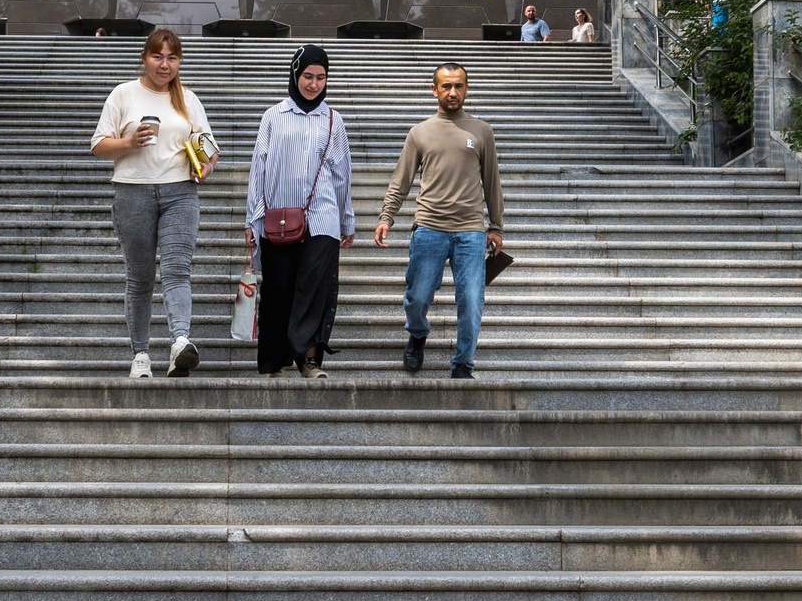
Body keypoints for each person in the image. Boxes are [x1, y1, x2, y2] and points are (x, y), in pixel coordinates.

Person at [89, 28, 217, 380]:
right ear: (144, 58)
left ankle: (179, 342)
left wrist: (206, 165)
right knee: (141, 277)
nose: (165, 65)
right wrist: (129, 142)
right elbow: (98, 145)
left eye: (172, 58)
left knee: (177, 270)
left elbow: (208, 146)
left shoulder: (187, 99)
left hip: (180, 194)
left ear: (179, 62)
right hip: (133, 191)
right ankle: (141, 354)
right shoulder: (123, 94)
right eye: (158, 57)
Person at [374, 62, 505, 379]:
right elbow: (401, 180)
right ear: (434, 89)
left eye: (459, 85)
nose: (453, 92)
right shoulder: (419, 132)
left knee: (472, 300)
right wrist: (386, 216)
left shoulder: (481, 131)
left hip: (470, 233)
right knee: (417, 296)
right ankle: (417, 335)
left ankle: (463, 362)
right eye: (446, 86)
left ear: (467, 88)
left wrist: (496, 227)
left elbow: (492, 182)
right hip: (429, 228)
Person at [243, 44, 354, 378]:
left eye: (321, 77)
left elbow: (342, 174)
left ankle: (309, 360)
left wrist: (347, 219)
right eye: (307, 75)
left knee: (314, 287)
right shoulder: (273, 116)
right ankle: (274, 359)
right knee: (279, 287)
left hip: (323, 218)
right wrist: (253, 218)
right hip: (278, 217)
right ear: (295, 74)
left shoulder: (333, 120)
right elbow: (258, 167)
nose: (313, 84)